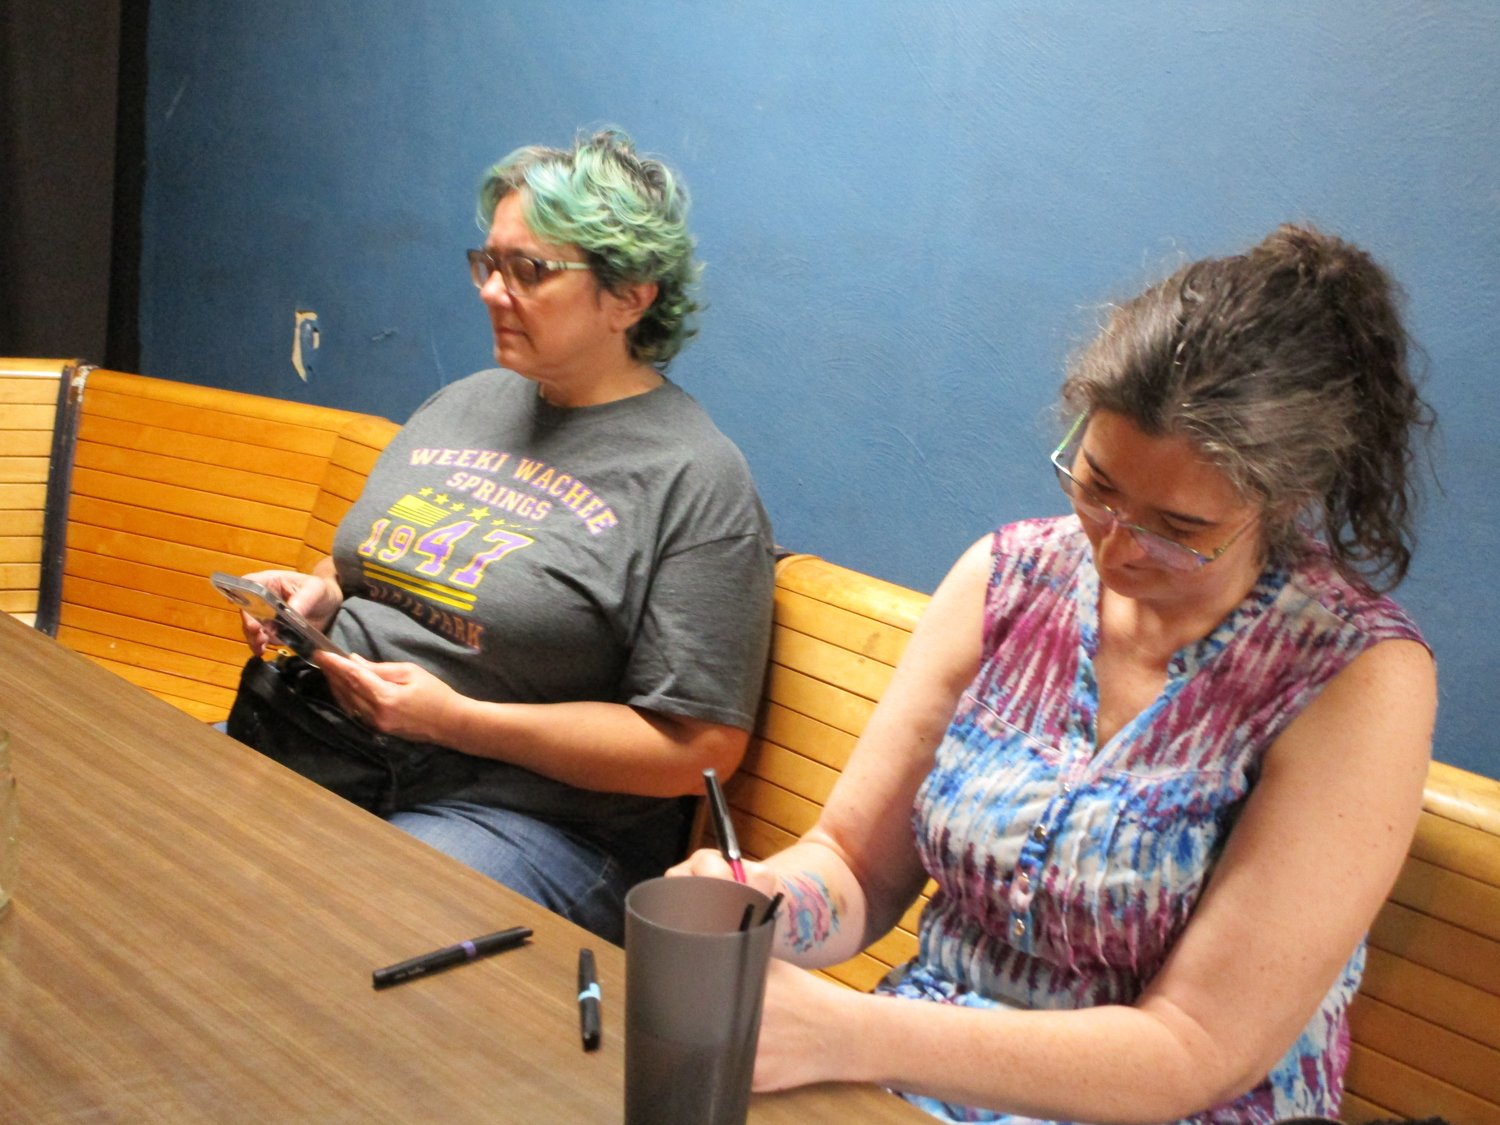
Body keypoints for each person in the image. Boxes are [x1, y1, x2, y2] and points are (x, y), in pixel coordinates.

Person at [674, 224, 1437, 1123]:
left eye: (1178, 528)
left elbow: (1193, 1048)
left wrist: (850, 1031)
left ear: (1285, 498)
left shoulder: (1354, 674)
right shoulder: (1008, 579)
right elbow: (853, 866)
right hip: (911, 1075)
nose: (1116, 545)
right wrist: (763, 900)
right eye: (1097, 484)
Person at [227, 130, 774, 944]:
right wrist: (320, 593)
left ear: (629, 297)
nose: (492, 290)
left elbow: (698, 749)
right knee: (152, 823)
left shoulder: (694, 477)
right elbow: (376, 564)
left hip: (524, 818)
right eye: (488, 262)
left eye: (530, 270)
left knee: (339, 918)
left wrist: (457, 720)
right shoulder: (468, 401)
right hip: (333, 744)